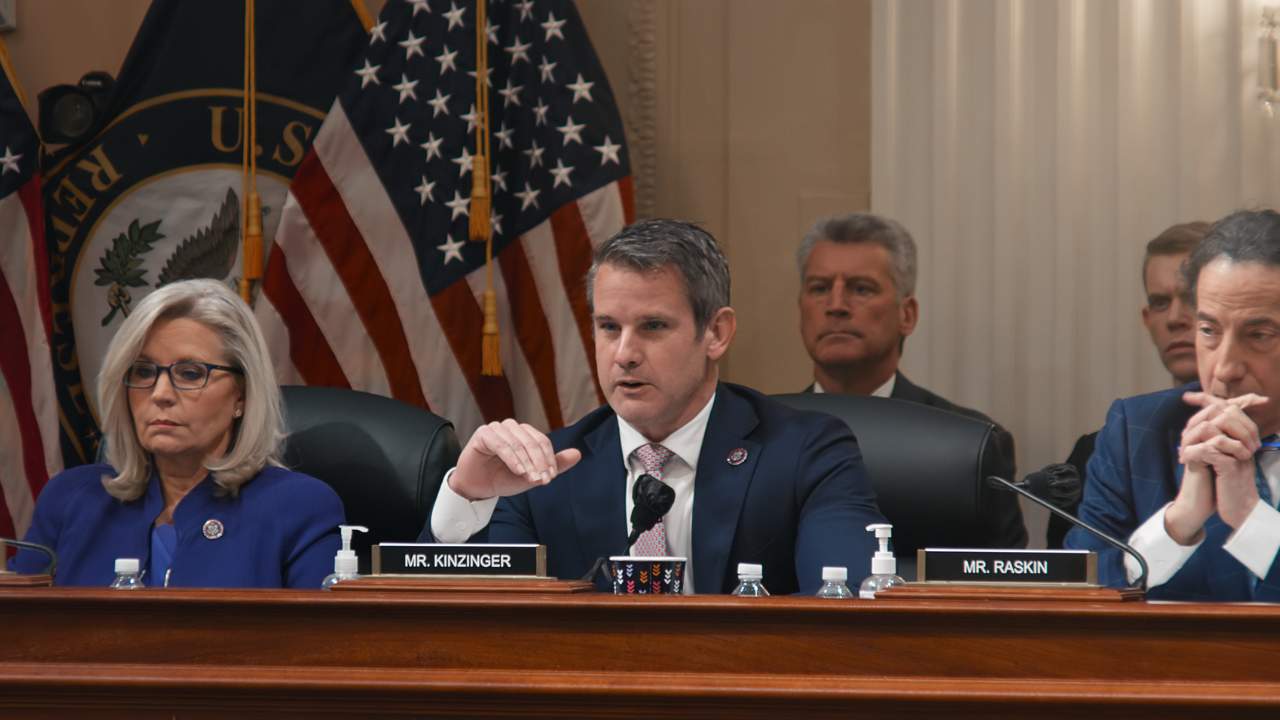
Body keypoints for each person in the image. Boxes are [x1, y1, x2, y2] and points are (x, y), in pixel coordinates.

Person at [426, 219, 885, 594]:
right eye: (608, 326)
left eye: (652, 326)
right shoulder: (543, 474)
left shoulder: (807, 453)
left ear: (716, 333)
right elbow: (459, 633)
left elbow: (847, 611)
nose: (624, 353)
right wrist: (467, 496)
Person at [9, 279, 344, 588]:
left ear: (241, 396)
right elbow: (16, 630)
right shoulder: (71, 500)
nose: (160, 393)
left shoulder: (298, 508)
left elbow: (317, 648)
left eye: (190, 372)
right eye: (143, 371)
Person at [1066, 209, 1280, 600]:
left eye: (1259, 334)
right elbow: (1078, 587)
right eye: (1208, 330)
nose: (1226, 368)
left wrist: (1251, 517)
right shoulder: (1136, 433)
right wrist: (1177, 523)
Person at [795, 213, 1026, 549]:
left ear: (907, 314)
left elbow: (1005, 584)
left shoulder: (969, 443)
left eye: (861, 289)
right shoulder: (762, 435)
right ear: (800, 309)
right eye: (820, 288)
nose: (836, 305)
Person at [1051, 222, 1208, 547]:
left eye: (1191, 298)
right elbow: (1083, 579)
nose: (1175, 317)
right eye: (1160, 303)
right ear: (1146, 319)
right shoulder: (1106, 448)